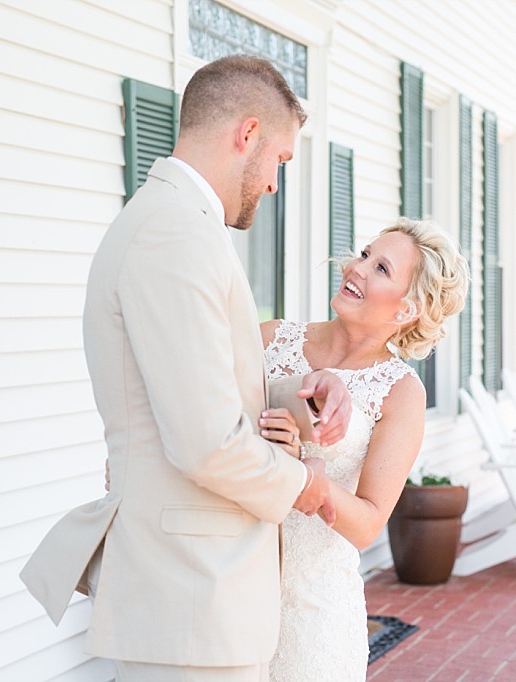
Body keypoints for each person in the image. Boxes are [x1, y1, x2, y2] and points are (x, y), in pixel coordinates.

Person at [20, 55, 354, 682]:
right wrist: (304, 487)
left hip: (201, 600)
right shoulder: (174, 233)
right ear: (247, 135)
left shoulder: (181, 224)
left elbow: (207, 393)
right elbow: (205, 444)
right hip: (193, 598)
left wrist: (303, 396)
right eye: (280, 160)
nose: (276, 184)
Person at [259, 217, 470, 681]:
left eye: (381, 269)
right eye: (364, 254)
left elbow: (368, 523)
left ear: (406, 310)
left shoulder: (399, 393)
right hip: (231, 590)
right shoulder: (271, 339)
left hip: (313, 615)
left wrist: (312, 484)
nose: (357, 268)